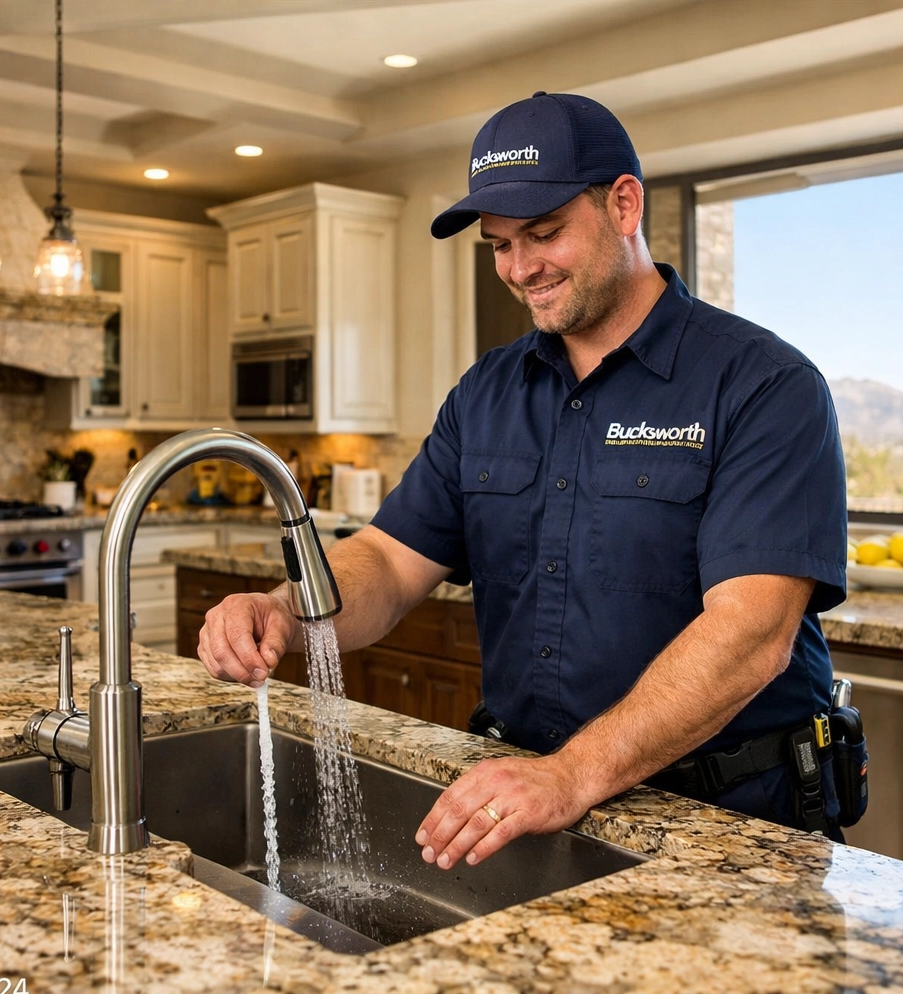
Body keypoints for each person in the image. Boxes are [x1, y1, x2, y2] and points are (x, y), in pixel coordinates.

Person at [196, 91, 849, 871]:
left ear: (624, 204)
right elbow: (388, 561)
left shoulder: (762, 384)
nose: (519, 268)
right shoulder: (487, 394)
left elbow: (752, 634)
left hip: (732, 830)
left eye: (543, 234)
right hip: (535, 809)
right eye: (500, 245)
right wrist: (284, 609)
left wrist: (574, 772)